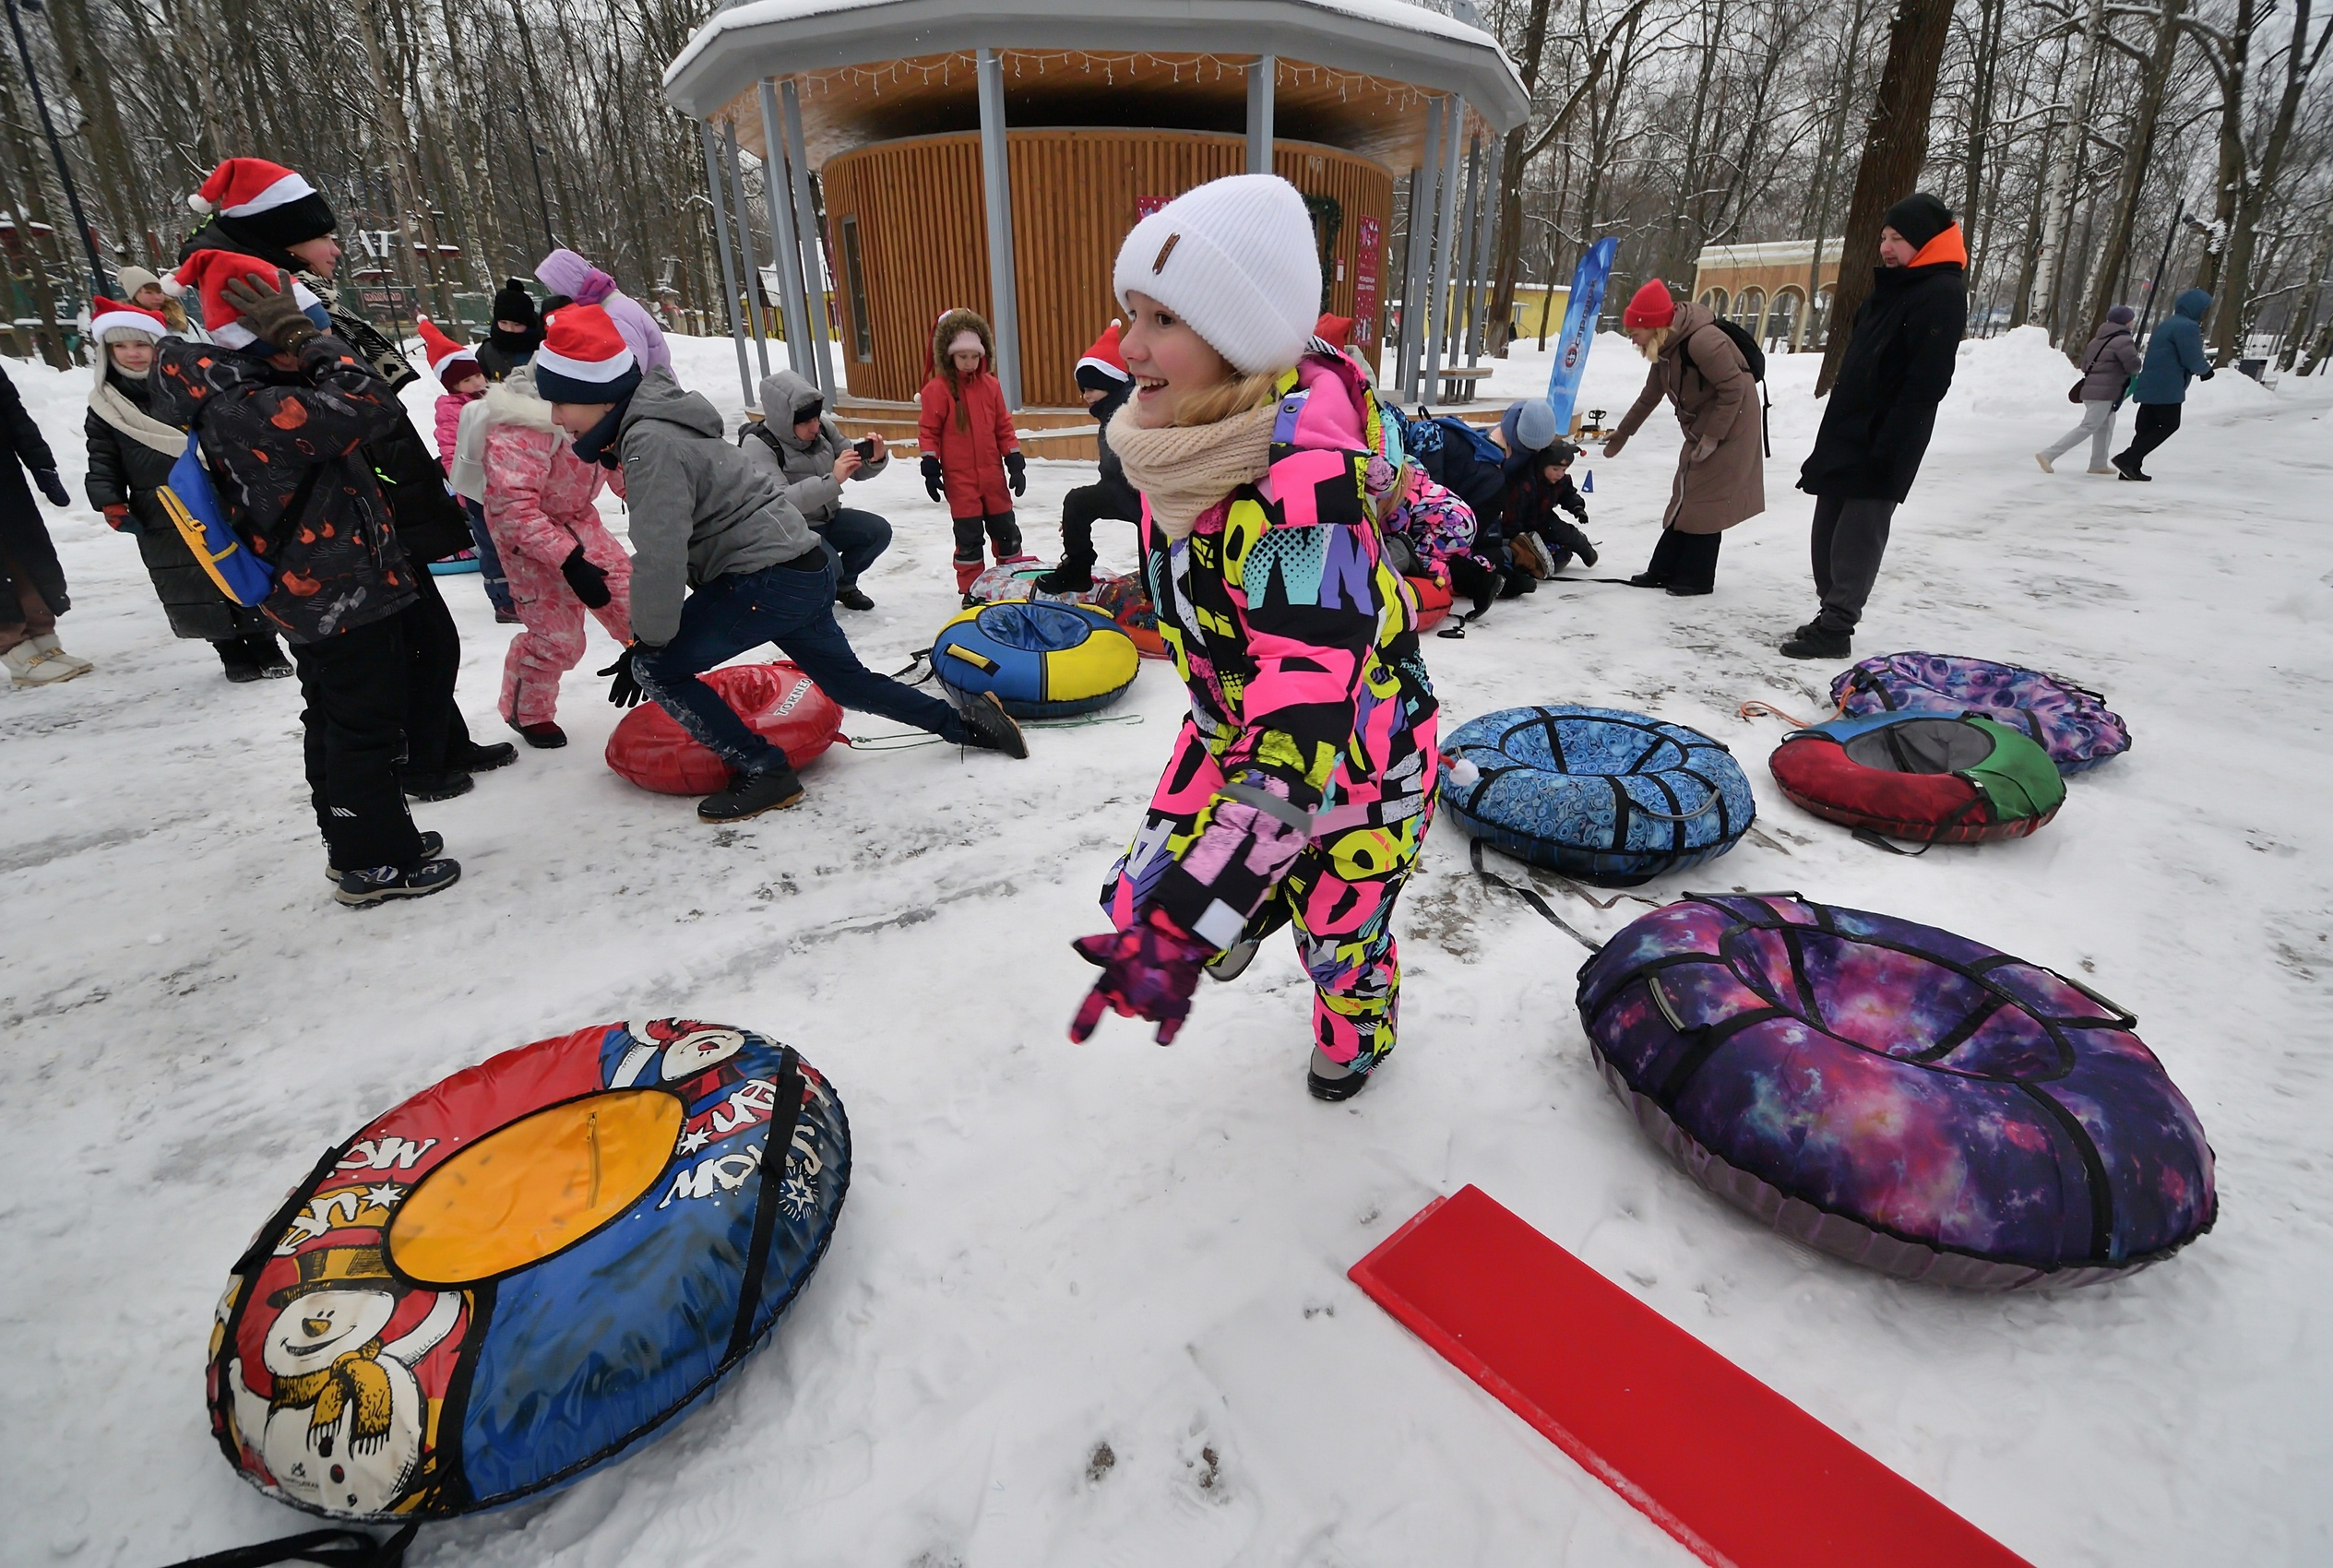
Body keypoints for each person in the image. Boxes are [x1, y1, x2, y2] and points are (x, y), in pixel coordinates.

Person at [1069, 173, 1439, 1103]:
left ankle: (1359, 1030)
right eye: (1131, 312)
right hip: (1232, 730)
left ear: (1235, 340)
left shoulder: (1301, 499)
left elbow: (1307, 713)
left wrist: (1197, 915)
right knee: (1138, 895)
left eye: (1163, 321)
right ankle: (1252, 895)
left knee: (1338, 937)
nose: (1129, 346)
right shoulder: (1183, 453)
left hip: (1358, 764)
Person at [528, 303, 1027, 822]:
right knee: (848, 684)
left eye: (561, 402)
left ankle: (764, 770)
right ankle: (969, 724)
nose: (557, 417)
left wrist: (645, 642)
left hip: (763, 578)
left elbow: (662, 555)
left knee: (658, 668)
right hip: (802, 566)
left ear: (599, 395)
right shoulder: (664, 421)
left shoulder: (647, 443)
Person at [179, 157, 514, 797]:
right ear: (284, 234)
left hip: (377, 489)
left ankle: (441, 742)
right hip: (360, 502)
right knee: (418, 646)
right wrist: (310, 336)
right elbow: (359, 405)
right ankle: (420, 760)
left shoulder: (295, 296)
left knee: (428, 640)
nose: (336, 247)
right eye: (324, 234)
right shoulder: (271, 312)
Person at [151, 250, 459, 905]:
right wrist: (307, 338)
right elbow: (372, 401)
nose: (313, 340)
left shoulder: (244, 392)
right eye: (296, 326)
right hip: (333, 595)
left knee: (338, 716)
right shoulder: (251, 404)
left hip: (328, 588)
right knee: (362, 724)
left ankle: (358, 837)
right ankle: (373, 862)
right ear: (266, 335)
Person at [1784, 192, 1968, 659]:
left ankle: (1838, 627)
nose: (1886, 247)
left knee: (1857, 534)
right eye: (1884, 236)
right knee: (1827, 527)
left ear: (1925, 242)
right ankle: (1830, 611)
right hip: (1849, 427)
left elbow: (1927, 379)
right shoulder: (1894, 287)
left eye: (1898, 238)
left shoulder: (1941, 292)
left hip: (1888, 433)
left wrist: (1893, 439)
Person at [84, 294, 290, 681]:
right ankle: (230, 653)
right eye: (120, 346)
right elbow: (102, 458)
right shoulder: (105, 406)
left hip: (213, 493)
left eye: (140, 344)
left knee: (239, 564)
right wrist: (110, 501)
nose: (131, 354)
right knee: (193, 582)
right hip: (160, 508)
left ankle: (266, 643)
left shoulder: (186, 387)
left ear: (158, 345)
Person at [467, 364, 632, 747]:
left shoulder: (598, 414)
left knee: (635, 605)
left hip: (580, 518)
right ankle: (528, 712)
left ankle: (669, 686)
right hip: (526, 537)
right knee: (558, 639)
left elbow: (623, 471)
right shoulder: (522, 427)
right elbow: (512, 509)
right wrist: (570, 563)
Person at [1602, 279, 1764, 597]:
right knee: (1685, 494)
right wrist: (1623, 434)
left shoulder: (1703, 341)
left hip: (1733, 427)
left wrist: (1714, 437)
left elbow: (1735, 390)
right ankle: (1664, 569)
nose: (1632, 339)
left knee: (1706, 502)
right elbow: (1649, 396)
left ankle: (1696, 578)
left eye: (1634, 332)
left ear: (1652, 325)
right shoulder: (1666, 349)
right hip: (1702, 429)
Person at [737, 369, 891, 612]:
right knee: (829, 564)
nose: (814, 427)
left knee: (878, 531)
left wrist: (875, 458)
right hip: (790, 529)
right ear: (784, 420)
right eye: (806, 422)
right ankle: (808, 600)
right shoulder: (759, 444)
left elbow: (855, 468)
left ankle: (844, 585)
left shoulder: (823, 430)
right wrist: (833, 480)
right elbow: (780, 502)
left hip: (827, 517)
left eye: (816, 419)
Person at [920, 307, 1030, 601]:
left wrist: (1014, 460)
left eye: (974, 356)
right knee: (969, 538)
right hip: (960, 479)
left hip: (992, 476)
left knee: (1006, 532)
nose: (969, 363)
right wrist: (930, 464)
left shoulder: (990, 386)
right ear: (949, 356)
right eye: (962, 356)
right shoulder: (938, 390)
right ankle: (972, 588)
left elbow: (1003, 426)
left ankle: (1010, 580)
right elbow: (928, 430)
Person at [416, 317, 517, 622]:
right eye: (467, 381)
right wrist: (461, 486)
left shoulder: (495, 398)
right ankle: (503, 600)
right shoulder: (451, 411)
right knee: (492, 545)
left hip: (506, 483)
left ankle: (528, 592)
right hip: (476, 488)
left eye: (477, 376)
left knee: (515, 541)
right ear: (453, 386)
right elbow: (450, 452)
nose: (477, 383)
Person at [1033, 321, 1141, 595]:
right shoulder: (1109, 409)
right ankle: (1076, 573)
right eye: (1083, 390)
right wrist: (1074, 520)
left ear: (1110, 383)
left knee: (1154, 549)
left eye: (1091, 388)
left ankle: (1162, 591)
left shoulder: (1133, 407)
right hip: (1124, 491)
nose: (1085, 396)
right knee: (1078, 503)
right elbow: (1112, 468)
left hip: (1150, 495)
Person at [0, 362, 89, 685]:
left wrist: (41, 465)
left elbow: (13, 413)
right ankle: (13, 647)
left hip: (4, 481)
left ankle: (41, 635)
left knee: (25, 558)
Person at [2115, 288, 2214, 481]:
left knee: (2146, 427)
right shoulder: (2187, 327)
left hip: (2150, 381)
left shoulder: (2167, 324)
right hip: (2167, 385)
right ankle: (2127, 459)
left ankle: (2130, 468)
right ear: (2196, 308)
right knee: (2169, 424)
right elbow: (2191, 356)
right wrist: (2205, 371)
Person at [535, 248, 673, 378]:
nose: (555, 297)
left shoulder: (614, 314)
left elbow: (629, 374)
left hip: (650, 399)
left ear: (570, 285)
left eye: (555, 290)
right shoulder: (603, 305)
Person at [2038, 305, 2141, 475]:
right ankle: (2048, 454)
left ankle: (2098, 463)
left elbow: (2085, 365)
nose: (2132, 322)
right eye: (2131, 319)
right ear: (2126, 321)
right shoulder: (2123, 340)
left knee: (2105, 425)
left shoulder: (2097, 339)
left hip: (2091, 389)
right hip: (2105, 392)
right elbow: (2133, 366)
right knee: (2088, 426)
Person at [1502, 438, 1598, 579]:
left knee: (1567, 533)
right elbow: (1513, 512)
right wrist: (1514, 535)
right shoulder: (1526, 483)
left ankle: (1585, 549)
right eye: (1555, 469)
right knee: (1525, 548)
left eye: (1564, 470)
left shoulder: (1561, 480)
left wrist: (1577, 508)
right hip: (1522, 524)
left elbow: (1568, 494)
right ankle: (1536, 563)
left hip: (1545, 519)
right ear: (1543, 465)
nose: (1559, 474)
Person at [476, 278, 543, 382]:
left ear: (529, 323)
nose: (509, 329)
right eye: (503, 323)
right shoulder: (487, 353)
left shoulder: (544, 347)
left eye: (517, 324)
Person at [117, 264, 199, 339]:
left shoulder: (184, 321)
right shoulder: (126, 327)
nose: (157, 297)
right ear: (134, 296)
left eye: (160, 292)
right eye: (149, 293)